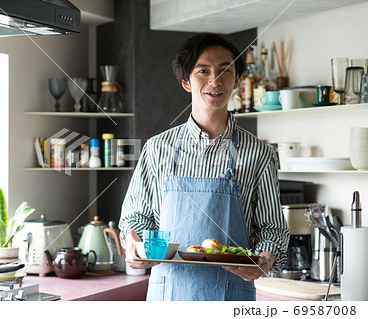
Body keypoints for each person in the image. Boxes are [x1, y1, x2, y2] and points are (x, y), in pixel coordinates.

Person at [118, 33, 289, 301]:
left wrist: (266, 258)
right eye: (203, 71)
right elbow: (137, 218)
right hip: (168, 295)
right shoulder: (156, 148)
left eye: (225, 70)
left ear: (237, 79)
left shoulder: (260, 153)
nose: (215, 81)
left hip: (231, 294)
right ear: (186, 81)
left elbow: (272, 228)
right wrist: (134, 246)